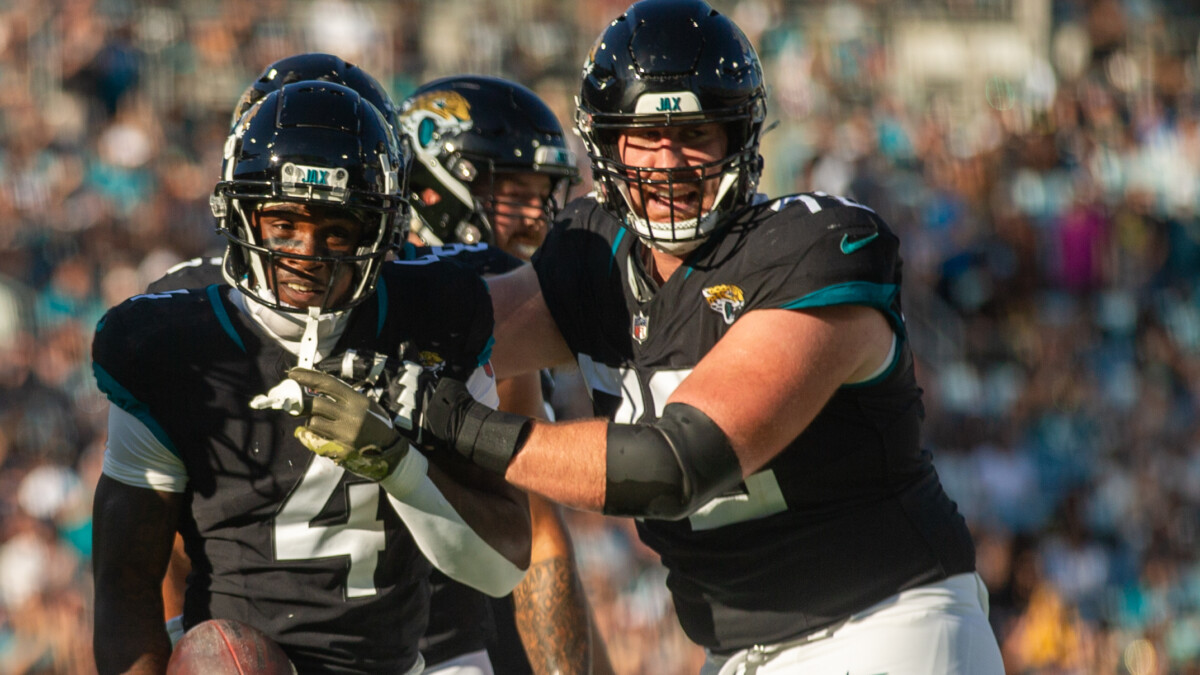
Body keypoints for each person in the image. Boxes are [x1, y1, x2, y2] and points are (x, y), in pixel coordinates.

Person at [291, 1, 1008, 673]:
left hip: (888, 623)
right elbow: (464, 320)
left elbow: (673, 465)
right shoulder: (593, 256)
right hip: (738, 648)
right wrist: (307, 265)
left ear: (740, 137)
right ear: (608, 148)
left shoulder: (813, 247)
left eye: (695, 135)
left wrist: (453, 421)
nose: (669, 164)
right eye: (645, 139)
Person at [92, 81, 530, 674]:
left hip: (400, 665)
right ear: (240, 214)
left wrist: (399, 466)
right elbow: (126, 584)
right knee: (218, 661)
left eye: (337, 230)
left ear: (378, 233)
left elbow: (502, 566)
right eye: (283, 224)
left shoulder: (434, 321)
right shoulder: (175, 346)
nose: (307, 253)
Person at [398, 74, 611, 675]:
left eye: (544, 196)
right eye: (513, 194)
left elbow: (543, 540)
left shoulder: (495, 319)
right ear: (433, 187)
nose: (536, 220)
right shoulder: (456, 309)